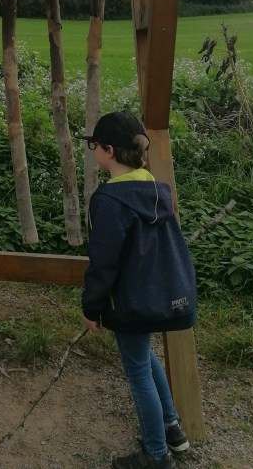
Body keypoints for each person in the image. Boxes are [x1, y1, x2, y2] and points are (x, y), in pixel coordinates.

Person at [81, 111, 197, 469]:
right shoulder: (157, 189)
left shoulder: (109, 201)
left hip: (132, 302)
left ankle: (156, 454)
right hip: (160, 296)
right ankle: (172, 429)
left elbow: (104, 263)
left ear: (109, 151)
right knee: (145, 358)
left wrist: (91, 307)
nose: (94, 152)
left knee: (138, 371)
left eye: (95, 146)